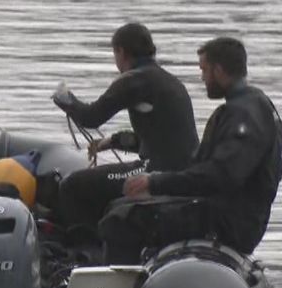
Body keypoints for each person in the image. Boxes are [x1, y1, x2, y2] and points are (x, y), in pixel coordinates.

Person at [107, 36, 282, 263]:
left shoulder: (244, 116)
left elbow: (220, 176)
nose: (202, 78)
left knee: (120, 219)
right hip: (228, 211)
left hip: (230, 222)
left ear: (219, 70)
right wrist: (160, 183)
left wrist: (155, 183)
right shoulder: (252, 105)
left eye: (204, 70)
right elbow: (206, 169)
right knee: (122, 204)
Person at [51, 23, 199, 239]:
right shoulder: (168, 80)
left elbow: (91, 117)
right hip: (182, 170)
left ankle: (88, 255)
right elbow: (159, 139)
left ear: (120, 51)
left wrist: (65, 99)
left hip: (157, 170)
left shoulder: (133, 80)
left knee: (72, 187)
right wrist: (111, 141)